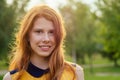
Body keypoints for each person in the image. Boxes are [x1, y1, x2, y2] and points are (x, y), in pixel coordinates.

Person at [3, 4, 84, 80]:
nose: (46, 39)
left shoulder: (75, 72)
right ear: (27, 35)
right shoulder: (12, 78)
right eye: (39, 32)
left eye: (51, 32)